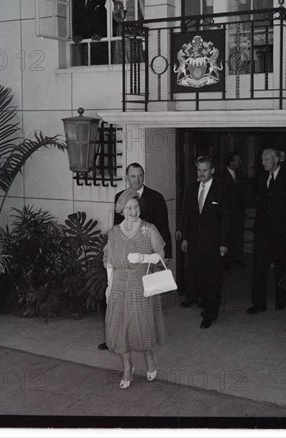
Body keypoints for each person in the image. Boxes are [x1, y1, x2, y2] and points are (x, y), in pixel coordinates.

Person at [98, 163, 172, 351]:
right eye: (133, 176)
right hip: (125, 262)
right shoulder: (119, 198)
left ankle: (144, 340)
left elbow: (163, 227)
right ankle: (119, 338)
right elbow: (117, 229)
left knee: (144, 307)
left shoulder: (156, 197)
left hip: (147, 256)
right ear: (127, 177)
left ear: (143, 176)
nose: (137, 179)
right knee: (121, 307)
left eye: (140, 175)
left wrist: (165, 255)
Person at [103, 189, 167, 389]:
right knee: (120, 327)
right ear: (121, 210)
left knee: (142, 325)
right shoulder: (113, 233)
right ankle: (127, 367)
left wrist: (143, 258)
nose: (133, 211)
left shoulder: (148, 229)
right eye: (129, 208)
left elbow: (161, 256)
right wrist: (109, 286)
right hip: (120, 284)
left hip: (141, 283)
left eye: (136, 207)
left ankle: (150, 360)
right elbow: (109, 263)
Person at [180, 156, 229, 328]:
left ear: (212, 170)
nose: (201, 173)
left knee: (213, 278)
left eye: (205, 170)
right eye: (199, 170)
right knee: (198, 275)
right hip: (194, 241)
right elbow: (186, 214)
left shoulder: (221, 189)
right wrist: (185, 237)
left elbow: (226, 218)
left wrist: (224, 243)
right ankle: (205, 302)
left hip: (213, 242)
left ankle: (211, 312)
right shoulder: (192, 189)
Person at [247, 148, 286, 313]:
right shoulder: (261, 178)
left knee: (281, 266)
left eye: (266, 159)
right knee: (259, 267)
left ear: (276, 160)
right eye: (262, 159)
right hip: (262, 230)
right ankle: (258, 303)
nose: (263, 163)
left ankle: (281, 300)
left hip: (281, 231)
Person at [205, 0, 249, 75]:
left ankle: (239, 80)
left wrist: (248, 31)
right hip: (218, 26)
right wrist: (207, 34)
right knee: (219, 56)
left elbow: (244, 12)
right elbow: (209, 15)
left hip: (236, 25)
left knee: (237, 56)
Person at [72, 0, 107, 65]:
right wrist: (76, 34)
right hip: (84, 41)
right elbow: (75, 19)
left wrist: (100, 34)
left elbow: (107, 18)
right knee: (86, 65)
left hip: (100, 41)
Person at [218, 151, 246, 269]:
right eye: (237, 160)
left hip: (238, 212)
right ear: (231, 162)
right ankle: (226, 261)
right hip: (227, 213)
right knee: (227, 237)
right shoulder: (221, 176)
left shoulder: (240, 175)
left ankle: (237, 258)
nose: (240, 162)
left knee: (238, 236)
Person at [111, 0, 145, 64]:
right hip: (121, 31)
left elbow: (145, 15)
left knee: (134, 60)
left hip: (133, 30)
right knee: (121, 61)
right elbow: (116, 18)